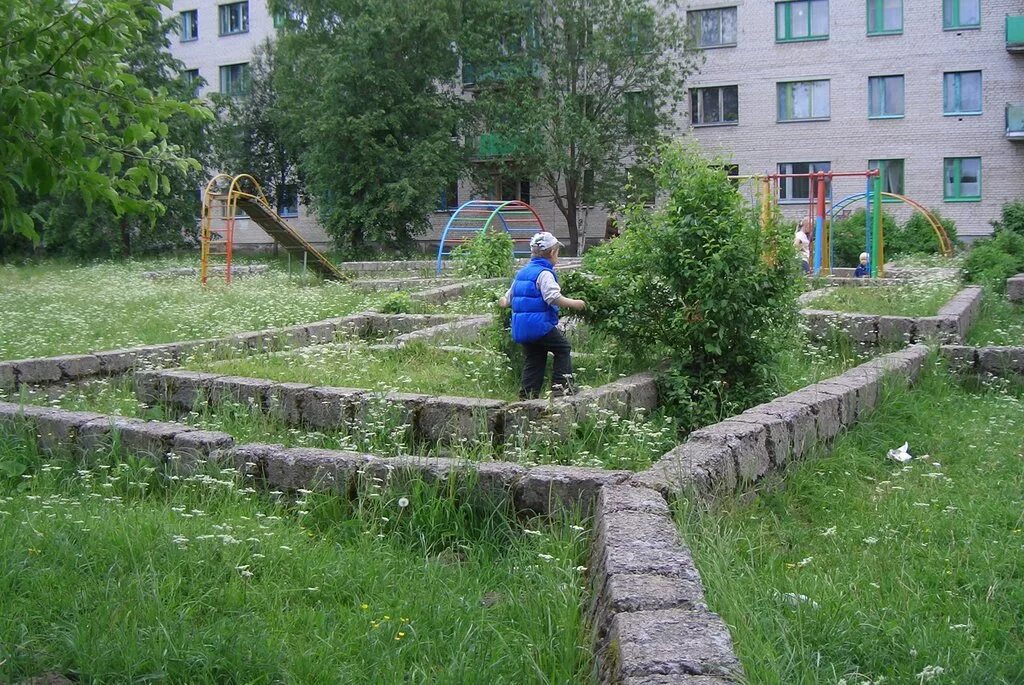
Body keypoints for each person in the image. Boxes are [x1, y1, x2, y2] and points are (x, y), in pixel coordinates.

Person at [498, 232, 586, 399]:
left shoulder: (522, 273)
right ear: (552, 253)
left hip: (521, 329)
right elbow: (552, 297)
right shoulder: (544, 273)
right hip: (539, 326)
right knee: (563, 348)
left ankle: (527, 395)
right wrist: (575, 303)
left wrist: (501, 302)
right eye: (557, 253)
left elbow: (507, 298)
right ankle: (561, 387)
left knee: (535, 357)